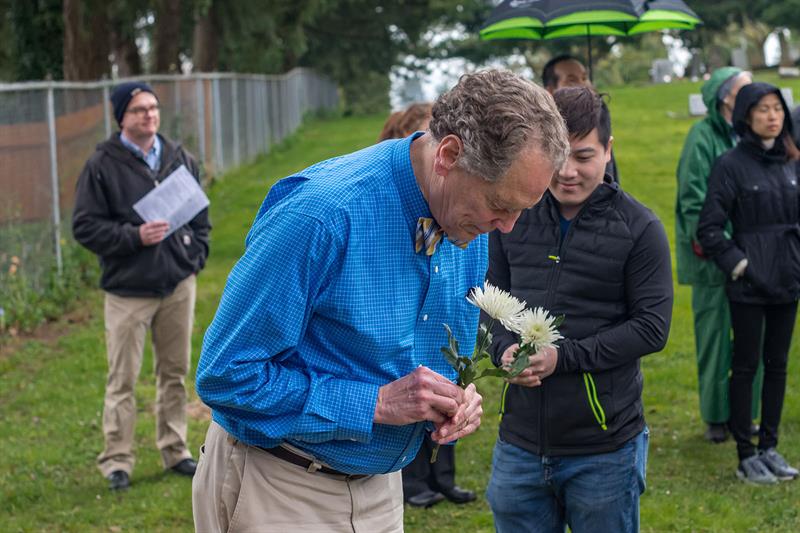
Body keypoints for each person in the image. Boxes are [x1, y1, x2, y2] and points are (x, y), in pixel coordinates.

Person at [191, 69, 570, 532]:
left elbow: (430, 358)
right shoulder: (321, 216)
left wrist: (453, 399)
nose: (508, 227)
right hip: (280, 486)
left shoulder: (466, 222)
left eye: (520, 211)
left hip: (381, 489)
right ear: (449, 155)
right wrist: (374, 404)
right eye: (501, 204)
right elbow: (227, 375)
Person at [485, 86, 673, 532]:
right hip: (519, 444)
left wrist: (562, 358)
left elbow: (652, 328)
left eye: (584, 156)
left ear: (609, 151)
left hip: (604, 449)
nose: (567, 172)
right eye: (556, 156)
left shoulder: (640, 228)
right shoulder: (511, 216)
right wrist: (503, 349)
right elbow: (491, 300)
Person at [72, 81, 211, 491]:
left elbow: (200, 216)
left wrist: (193, 258)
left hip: (176, 285)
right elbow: (84, 226)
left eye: (152, 108)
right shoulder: (101, 164)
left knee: (175, 372)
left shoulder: (178, 157)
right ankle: (117, 460)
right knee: (123, 379)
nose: (148, 115)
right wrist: (134, 237)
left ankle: (175, 449)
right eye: (138, 110)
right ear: (121, 118)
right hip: (128, 290)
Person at [697, 82, 800, 485]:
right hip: (750, 286)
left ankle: (770, 447)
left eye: (777, 108)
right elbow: (709, 229)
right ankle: (746, 455)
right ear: (745, 116)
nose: (772, 116)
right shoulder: (730, 165)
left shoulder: (793, 162)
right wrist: (740, 266)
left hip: (788, 281)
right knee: (745, 366)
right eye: (763, 109)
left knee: (778, 366)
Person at [378, 102, 477, 508]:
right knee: (412, 392)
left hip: (448, 306)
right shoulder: (398, 203)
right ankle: (414, 482)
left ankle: (444, 477)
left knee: (449, 386)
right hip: (407, 311)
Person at [675, 67, 760, 444]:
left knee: (751, 340)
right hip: (711, 258)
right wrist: (721, 247)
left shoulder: (751, 133)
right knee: (713, 340)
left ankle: (747, 415)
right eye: (744, 86)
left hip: (751, 257)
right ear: (726, 96)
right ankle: (715, 417)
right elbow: (693, 199)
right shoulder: (702, 136)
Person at [541, 54, 619, 183]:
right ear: (549, 91)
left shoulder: (598, 118)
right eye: (572, 80)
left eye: (584, 78)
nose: (584, 85)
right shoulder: (540, 128)